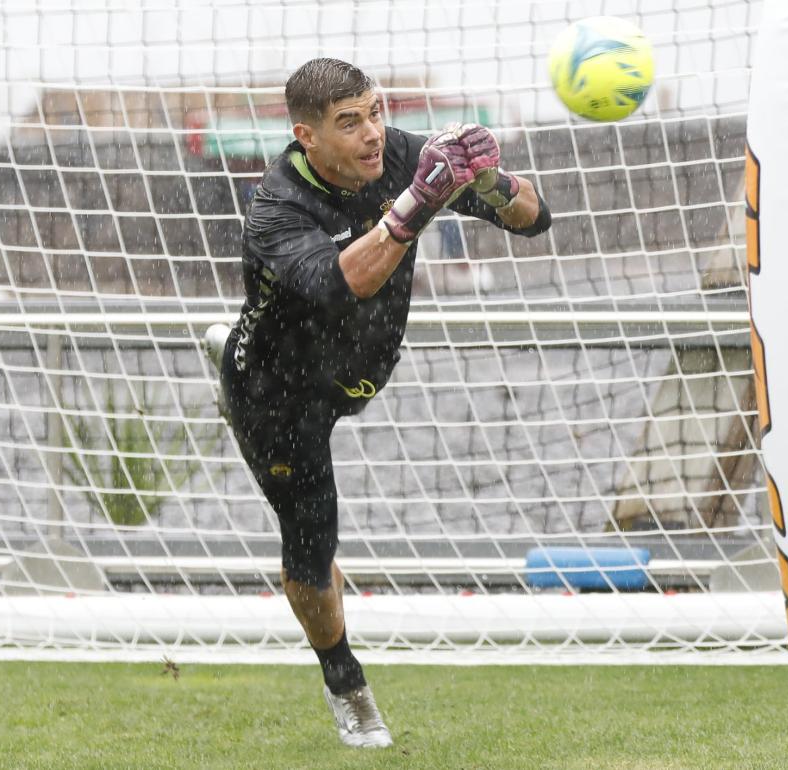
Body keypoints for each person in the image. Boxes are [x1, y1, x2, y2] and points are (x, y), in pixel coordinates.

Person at [202, 58, 551, 749]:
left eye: (375, 112)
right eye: (348, 122)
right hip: (278, 392)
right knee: (311, 547)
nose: (371, 134)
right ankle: (346, 683)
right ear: (307, 136)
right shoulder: (275, 207)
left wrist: (491, 181)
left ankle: (223, 344)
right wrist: (417, 205)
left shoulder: (399, 155)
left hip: (360, 369)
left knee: (319, 539)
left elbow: (536, 221)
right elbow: (342, 284)